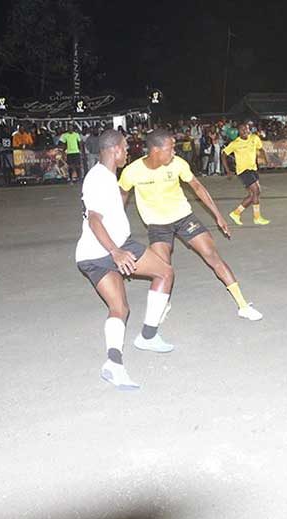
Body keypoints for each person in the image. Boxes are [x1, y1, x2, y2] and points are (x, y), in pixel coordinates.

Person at [119, 129, 263, 322]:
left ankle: (243, 305)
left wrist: (218, 215)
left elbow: (197, 186)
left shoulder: (178, 164)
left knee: (213, 256)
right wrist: (116, 226)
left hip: (184, 218)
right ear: (155, 150)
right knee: (163, 269)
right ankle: (163, 304)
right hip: (157, 225)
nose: (174, 153)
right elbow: (121, 195)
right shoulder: (132, 171)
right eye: (170, 149)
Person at [76, 129, 175, 391]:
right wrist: (115, 252)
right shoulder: (99, 178)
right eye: (125, 146)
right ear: (114, 150)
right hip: (112, 248)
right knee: (164, 273)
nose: (128, 150)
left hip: (89, 255)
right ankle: (149, 336)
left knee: (120, 308)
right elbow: (95, 219)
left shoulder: (105, 177)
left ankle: (113, 364)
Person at [222, 123, 270, 225]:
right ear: (238, 132)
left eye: (246, 129)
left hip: (253, 169)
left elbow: (261, 149)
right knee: (256, 190)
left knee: (253, 194)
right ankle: (257, 218)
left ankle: (236, 213)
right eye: (242, 129)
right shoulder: (235, 143)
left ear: (249, 129)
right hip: (243, 171)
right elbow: (224, 154)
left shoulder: (254, 138)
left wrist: (265, 159)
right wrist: (228, 170)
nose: (245, 131)